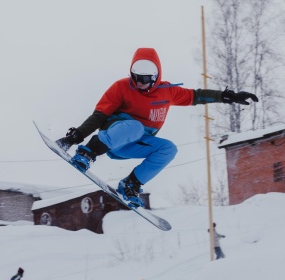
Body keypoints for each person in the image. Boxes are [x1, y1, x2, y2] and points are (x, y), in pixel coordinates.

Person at [56, 47, 258, 207]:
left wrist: (226, 96)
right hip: (113, 136)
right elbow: (99, 115)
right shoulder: (121, 87)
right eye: (136, 78)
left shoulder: (167, 92)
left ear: (156, 75)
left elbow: (195, 96)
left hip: (132, 144)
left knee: (168, 148)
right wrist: (74, 138)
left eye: (145, 79)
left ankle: (131, 184)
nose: (140, 83)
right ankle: (88, 153)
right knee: (135, 127)